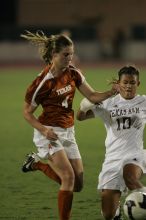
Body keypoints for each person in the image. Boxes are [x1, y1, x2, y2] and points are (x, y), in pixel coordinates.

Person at [21, 30, 118, 220]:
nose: (70, 58)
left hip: (68, 132)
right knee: (68, 178)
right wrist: (44, 130)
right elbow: (27, 112)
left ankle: (36, 165)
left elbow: (92, 96)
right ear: (54, 55)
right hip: (48, 133)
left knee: (78, 185)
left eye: (72, 54)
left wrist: (111, 92)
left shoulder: (73, 73)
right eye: (66, 54)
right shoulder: (42, 83)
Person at [76, 65, 146, 220]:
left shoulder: (143, 102)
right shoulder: (108, 103)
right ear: (119, 83)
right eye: (125, 82)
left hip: (134, 153)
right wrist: (83, 107)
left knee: (130, 177)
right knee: (108, 214)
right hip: (112, 158)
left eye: (132, 83)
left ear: (138, 84)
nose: (129, 86)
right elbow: (80, 117)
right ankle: (117, 215)